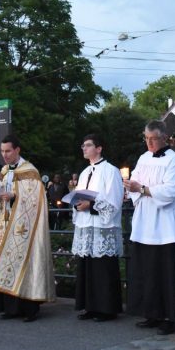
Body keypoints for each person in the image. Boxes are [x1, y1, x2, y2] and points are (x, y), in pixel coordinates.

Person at [0, 135, 55, 321]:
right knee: (4, 262)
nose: (4, 155)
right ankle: (9, 308)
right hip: (3, 226)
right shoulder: (3, 171)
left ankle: (29, 309)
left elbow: (35, 200)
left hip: (23, 229)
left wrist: (13, 196)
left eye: (8, 151)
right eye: (2, 151)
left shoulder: (30, 171)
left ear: (17, 150)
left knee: (24, 263)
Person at [124, 120, 175, 335]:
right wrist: (136, 189)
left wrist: (141, 188)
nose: (149, 143)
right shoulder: (143, 158)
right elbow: (134, 182)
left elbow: (169, 192)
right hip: (144, 223)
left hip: (164, 225)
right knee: (146, 272)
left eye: (153, 139)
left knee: (165, 273)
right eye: (146, 139)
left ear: (164, 138)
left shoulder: (174, 160)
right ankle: (151, 313)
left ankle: (169, 318)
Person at [71, 134, 124, 322]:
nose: (84, 149)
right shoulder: (85, 172)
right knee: (88, 267)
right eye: (83, 146)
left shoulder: (111, 171)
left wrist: (91, 206)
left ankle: (106, 309)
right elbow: (81, 195)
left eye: (88, 145)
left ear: (99, 148)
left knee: (103, 268)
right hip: (87, 225)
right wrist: (77, 203)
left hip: (102, 226)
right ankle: (90, 306)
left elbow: (114, 201)